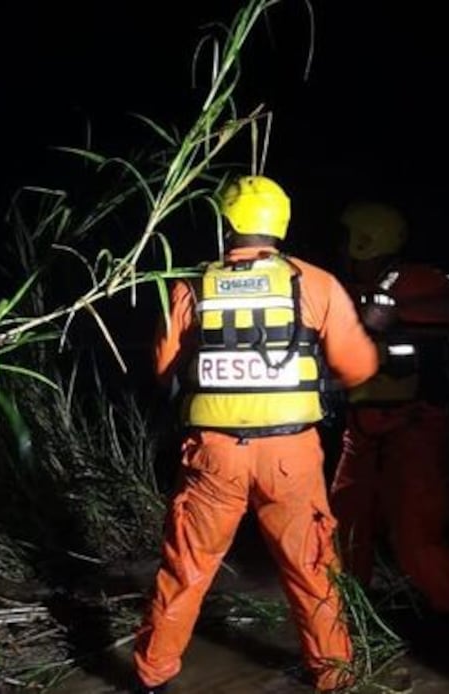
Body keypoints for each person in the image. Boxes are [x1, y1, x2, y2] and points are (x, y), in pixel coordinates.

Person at [132, 175, 379, 693]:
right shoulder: (316, 284)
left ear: (225, 223)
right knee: (312, 571)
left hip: (213, 456)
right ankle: (334, 678)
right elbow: (358, 369)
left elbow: (163, 368)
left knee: (186, 570)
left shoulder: (192, 285)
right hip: (291, 457)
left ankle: (151, 677)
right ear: (280, 225)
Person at [328, 200, 449, 642]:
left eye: (347, 238)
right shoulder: (340, 287)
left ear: (366, 241)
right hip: (361, 428)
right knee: (344, 525)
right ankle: (349, 612)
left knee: (416, 533)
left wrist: (397, 317)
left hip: (413, 424)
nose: (340, 246)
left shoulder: (411, 279)